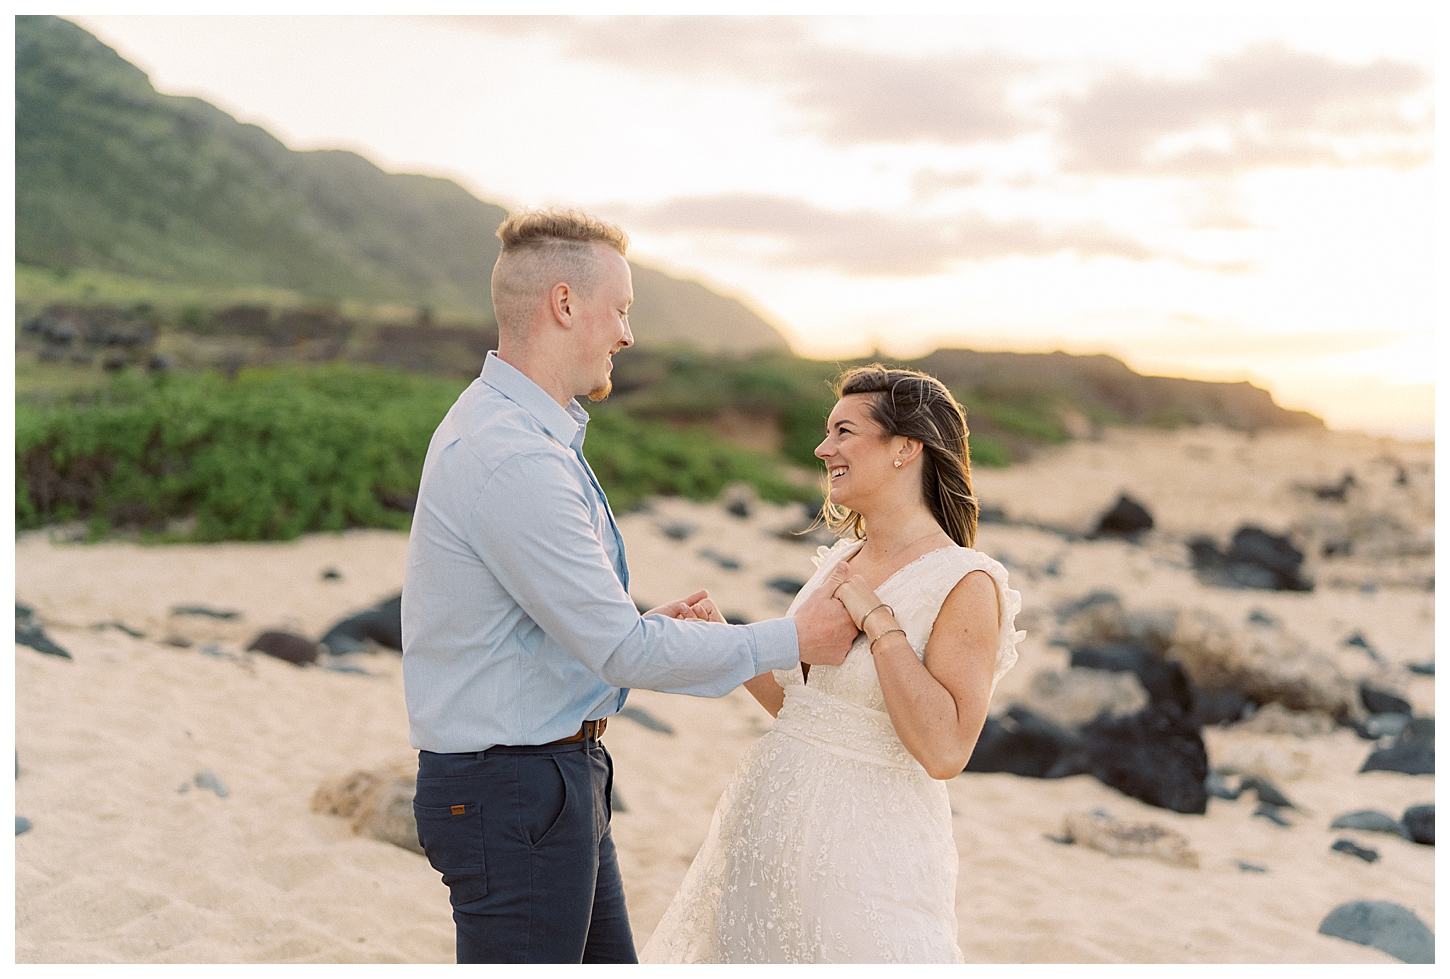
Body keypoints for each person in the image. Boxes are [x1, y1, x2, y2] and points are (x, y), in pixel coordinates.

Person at [400, 208, 858, 964]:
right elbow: (620, 650)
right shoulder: (512, 454)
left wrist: (642, 628)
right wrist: (793, 638)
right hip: (513, 792)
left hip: (547, 779)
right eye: (621, 309)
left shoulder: (527, 433)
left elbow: (575, 628)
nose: (627, 333)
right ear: (565, 303)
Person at [641, 365, 1025, 964]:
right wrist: (736, 645)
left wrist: (882, 625)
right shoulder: (839, 559)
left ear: (905, 448)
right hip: (765, 836)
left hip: (868, 859)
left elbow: (946, 751)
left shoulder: (965, 582)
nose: (824, 449)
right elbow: (805, 710)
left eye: (844, 432)